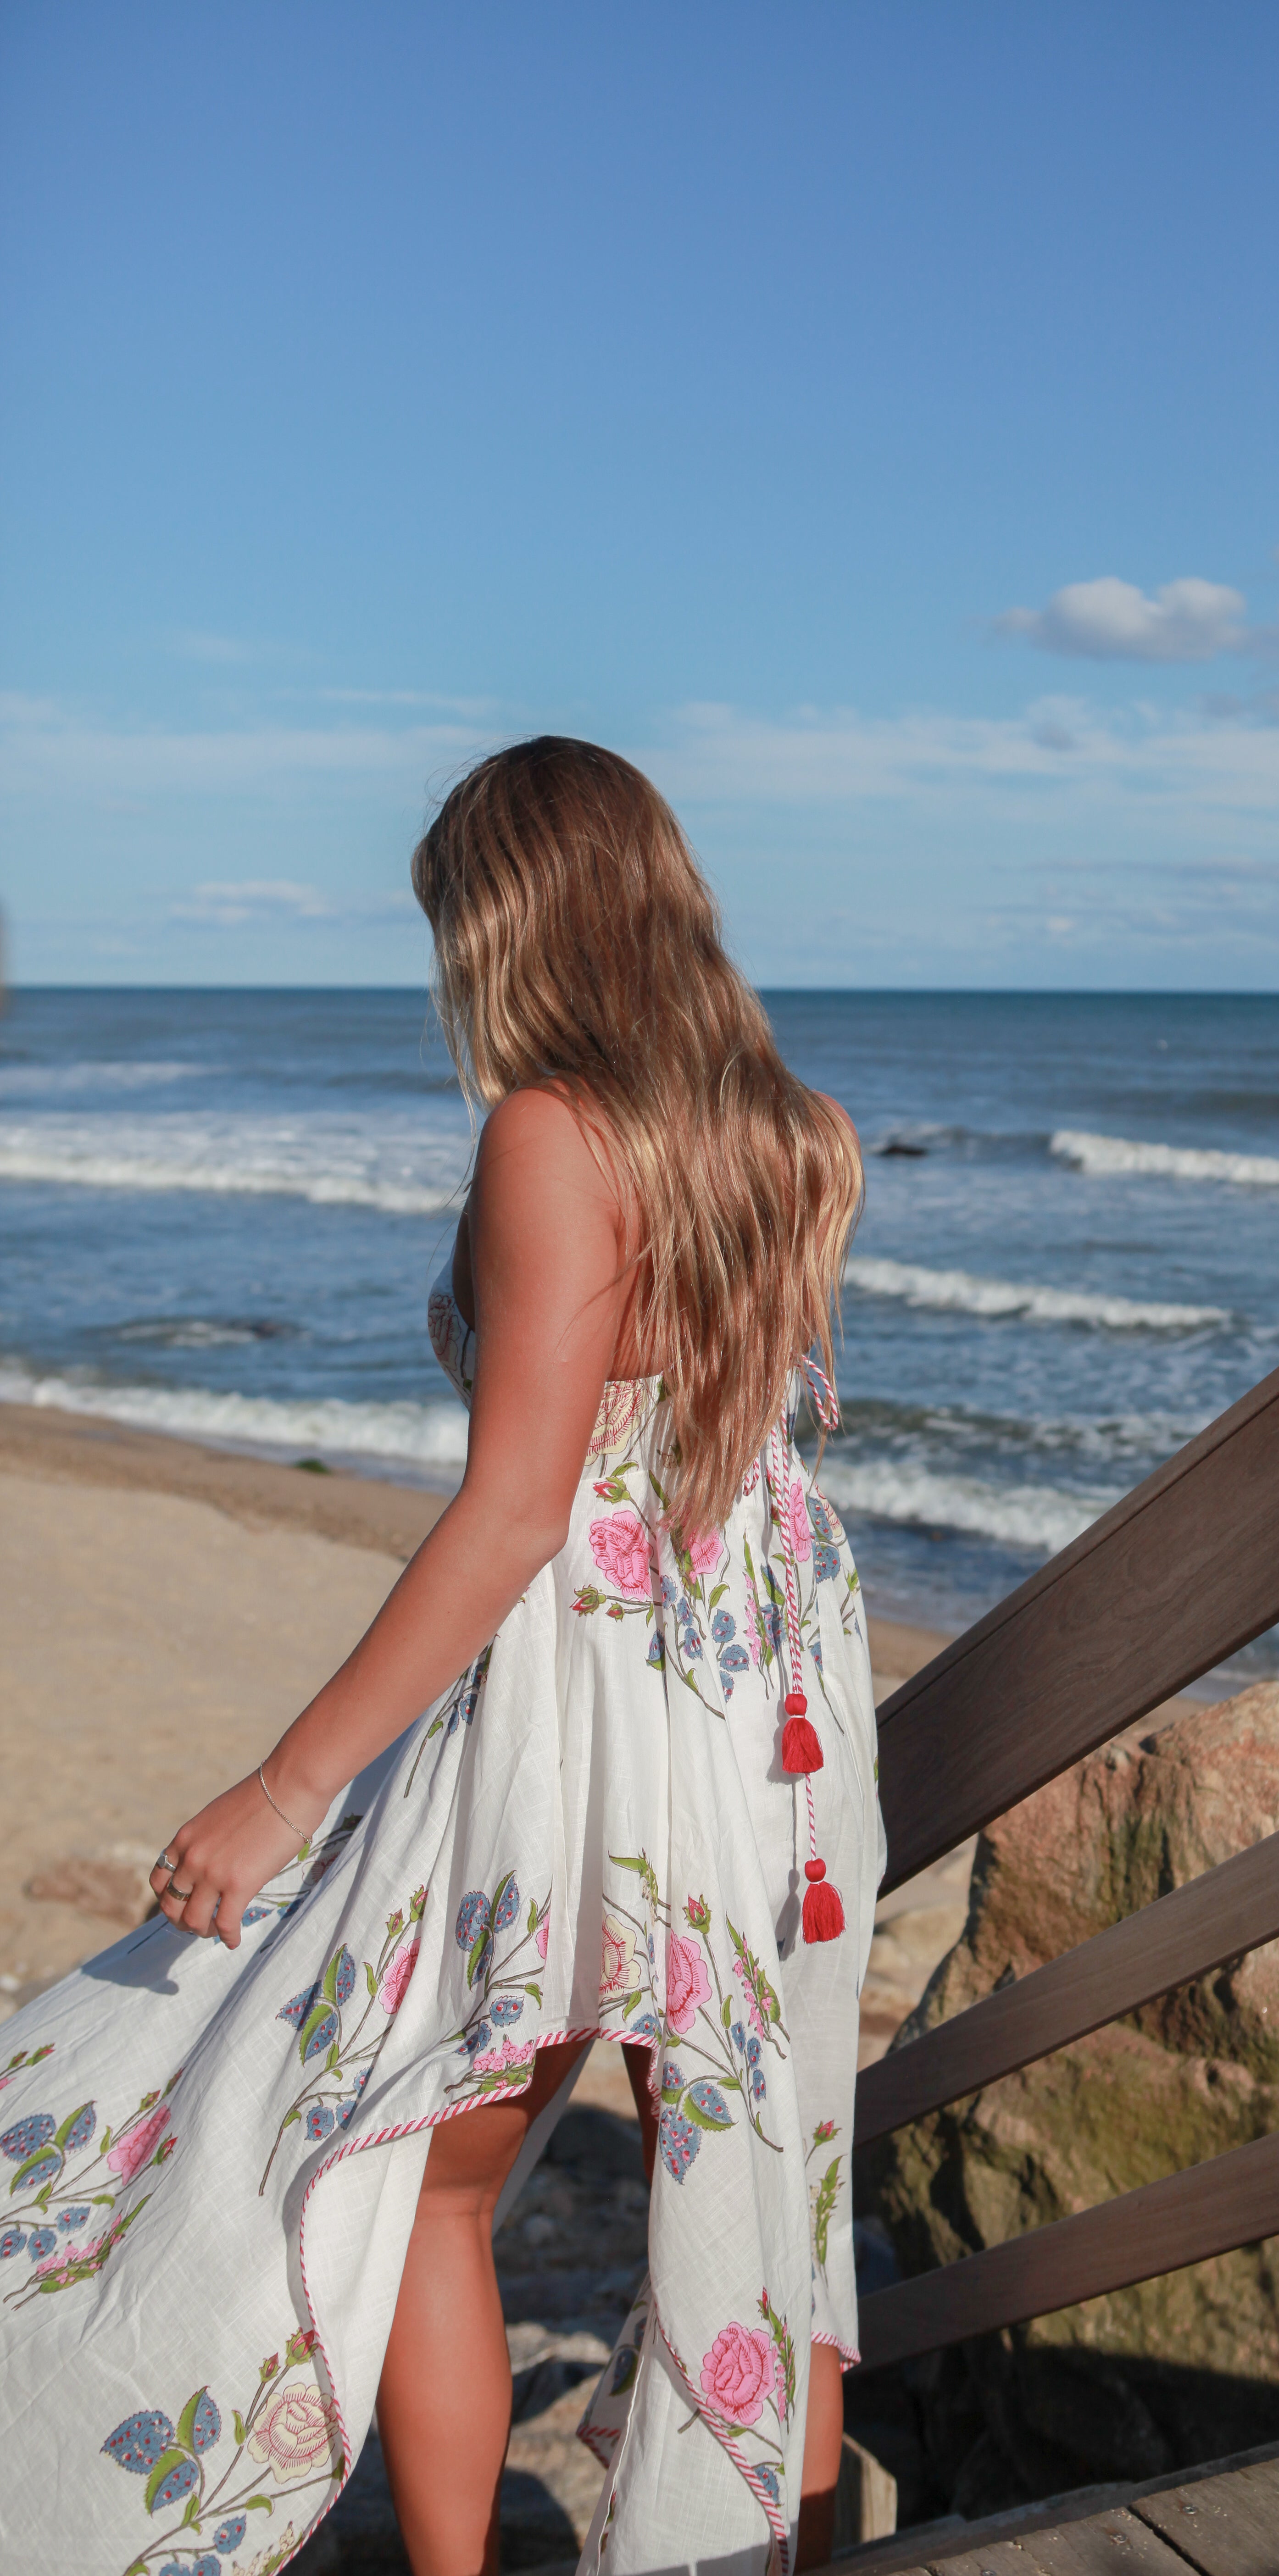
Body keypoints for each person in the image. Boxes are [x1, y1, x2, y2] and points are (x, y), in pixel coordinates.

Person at [0, 739, 884, 2576]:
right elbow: (729, 1456)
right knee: (760, 2172)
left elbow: (518, 1515)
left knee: (430, 2168)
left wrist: (284, 1787)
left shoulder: (557, 1134)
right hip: (772, 1699)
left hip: (590, 1723)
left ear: (514, 924)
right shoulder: (791, 1131)